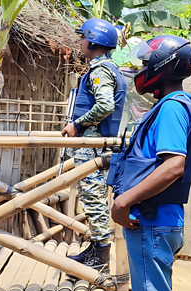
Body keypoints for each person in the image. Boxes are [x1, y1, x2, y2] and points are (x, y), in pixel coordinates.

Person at [110, 35, 191, 291]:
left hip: (152, 222)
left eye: (147, 65)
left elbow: (173, 166)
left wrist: (122, 203)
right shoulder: (170, 105)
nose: (141, 71)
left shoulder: (172, 108)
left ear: (163, 68)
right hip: (155, 221)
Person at [63, 18, 126, 268]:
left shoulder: (100, 70)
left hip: (92, 143)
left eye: (82, 37)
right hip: (95, 142)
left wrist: (77, 125)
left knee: (92, 194)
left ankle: (99, 255)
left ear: (92, 40)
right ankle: (95, 247)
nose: (79, 42)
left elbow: (105, 105)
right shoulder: (105, 68)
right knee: (93, 195)